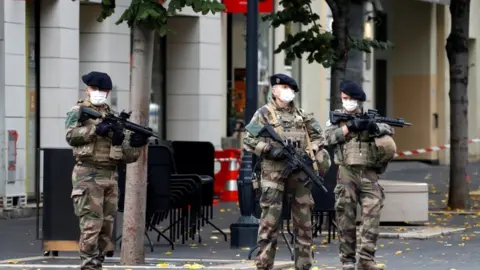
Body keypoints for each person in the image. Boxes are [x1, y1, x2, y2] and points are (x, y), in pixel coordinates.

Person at [243, 73, 331, 270]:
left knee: (304, 223)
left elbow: (320, 138)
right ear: (274, 91)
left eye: (290, 89)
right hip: (273, 174)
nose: (287, 92)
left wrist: (312, 151)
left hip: (299, 173)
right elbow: (248, 140)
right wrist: (269, 149)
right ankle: (264, 265)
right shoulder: (264, 114)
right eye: (283, 88)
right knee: (269, 223)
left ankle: (304, 265)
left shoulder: (302, 115)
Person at [65, 71, 150, 270]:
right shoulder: (79, 111)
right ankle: (88, 265)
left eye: (103, 90)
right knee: (90, 225)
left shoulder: (112, 116)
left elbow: (127, 157)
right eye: (95, 89)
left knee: (106, 226)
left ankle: (97, 263)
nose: (99, 93)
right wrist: (96, 130)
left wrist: (135, 144)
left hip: (110, 175)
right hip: (88, 174)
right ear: (87, 89)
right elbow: (70, 136)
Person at [324, 80, 396, 270]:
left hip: (369, 174)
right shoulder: (336, 119)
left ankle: (366, 259)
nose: (347, 102)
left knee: (372, 215)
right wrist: (350, 127)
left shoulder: (370, 118)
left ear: (358, 101)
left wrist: (373, 128)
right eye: (344, 98)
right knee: (345, 217)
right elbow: (327, 138)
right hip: (346, 173)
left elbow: (390, 130)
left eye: (350, 99)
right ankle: (347, 261)